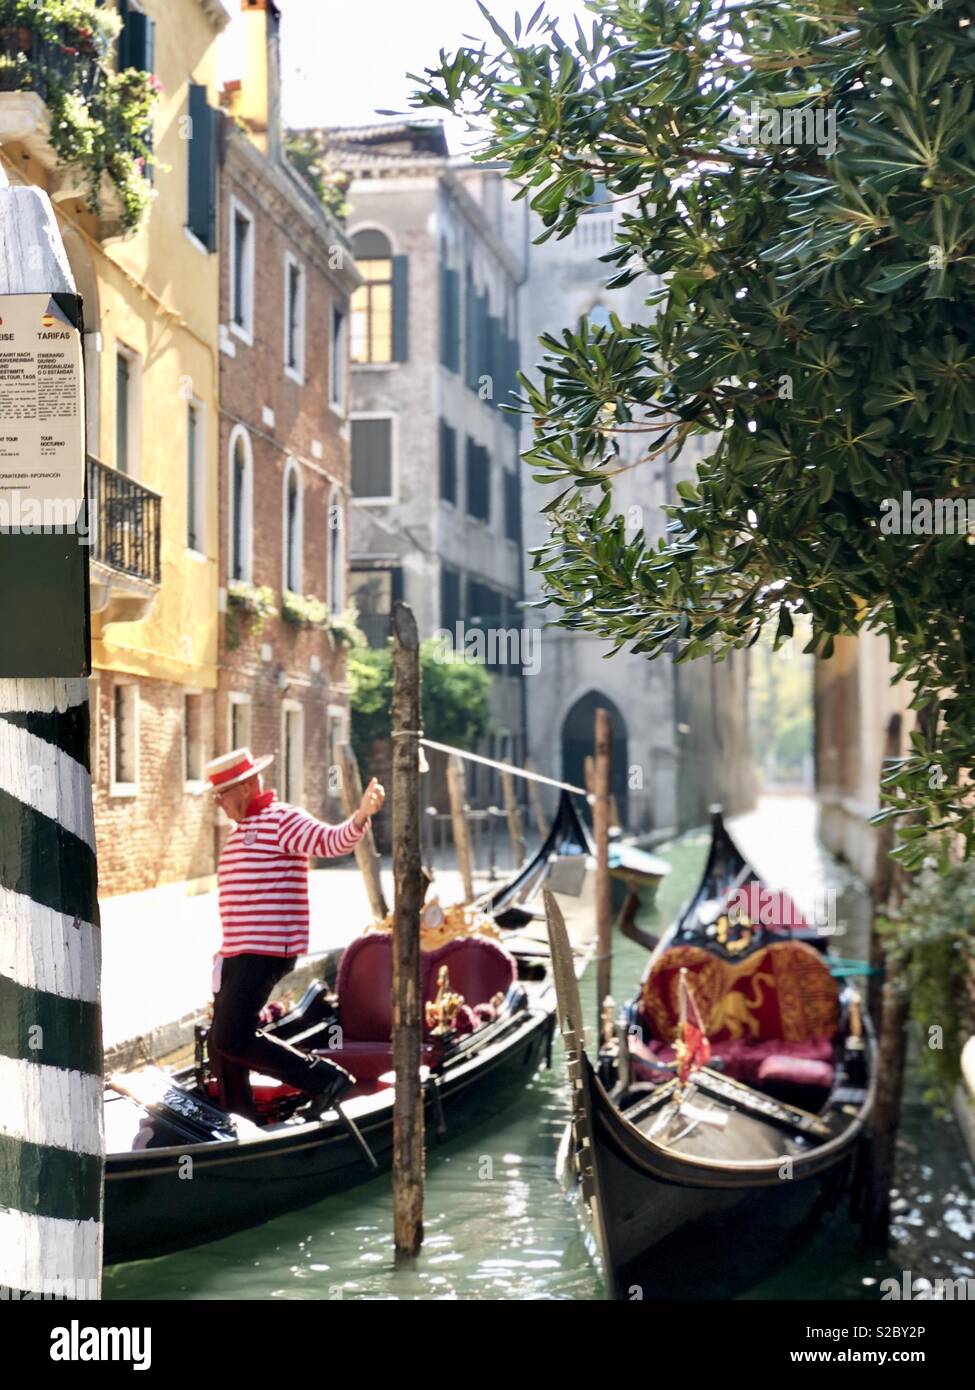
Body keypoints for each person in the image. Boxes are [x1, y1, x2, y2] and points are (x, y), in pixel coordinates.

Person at [204, 746, 385, 1122]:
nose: (218, 802)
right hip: (237, 953)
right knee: (220, 1043)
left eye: (222, 793)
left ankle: (327, 1079)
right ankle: (237, 1115)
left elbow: (330, 841)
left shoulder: (283, 819)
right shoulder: (241, 833)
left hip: (267, 950)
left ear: (247, 787)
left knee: (233, 1036)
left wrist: (361, 815)